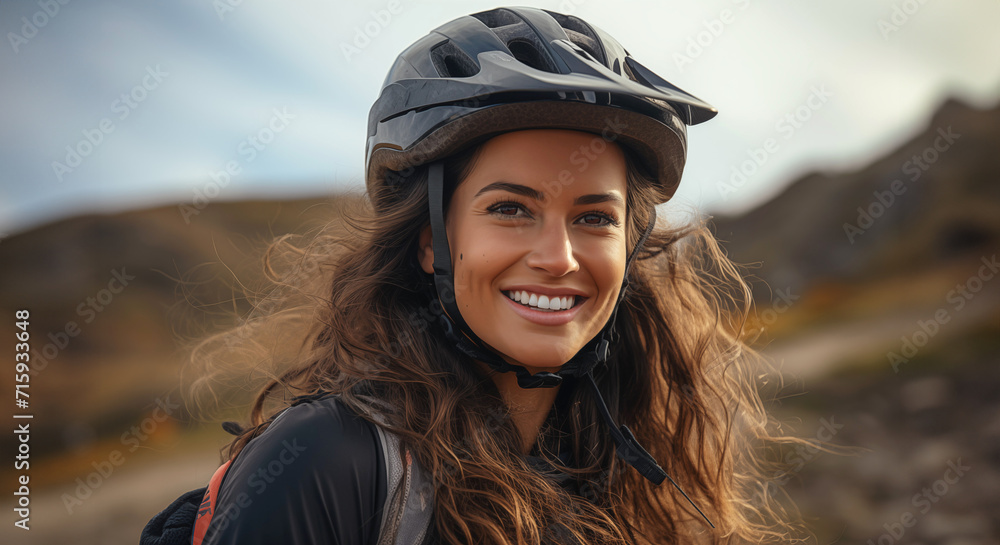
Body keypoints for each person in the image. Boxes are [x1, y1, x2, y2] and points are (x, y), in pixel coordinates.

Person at [142, 6, 811, 545]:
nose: (559, 256)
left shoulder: (610, 469)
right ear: (433, 241)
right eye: (512, 208)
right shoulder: (329, 463)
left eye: (594, 217)